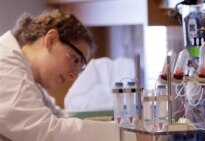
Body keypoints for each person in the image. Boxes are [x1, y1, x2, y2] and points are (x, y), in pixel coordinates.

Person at [0, 9, 119, 141]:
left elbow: (60, 117)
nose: (73, 76)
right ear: (51, 40)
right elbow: (47, 132)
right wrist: (127, 135)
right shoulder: (5, 64)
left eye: (80, 68)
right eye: (75, 60)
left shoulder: (28, 77)